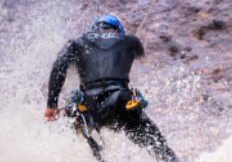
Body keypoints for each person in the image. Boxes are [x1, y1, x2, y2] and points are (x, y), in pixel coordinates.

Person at [44, 15, 178, 162]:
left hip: (89, 107)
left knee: (76, 118)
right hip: (122, 103)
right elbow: (139, 53)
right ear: (118, 30)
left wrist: (52, 105)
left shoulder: (75, 43)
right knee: (162, 151)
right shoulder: (130, 41)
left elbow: (59, 67)